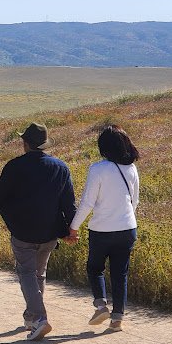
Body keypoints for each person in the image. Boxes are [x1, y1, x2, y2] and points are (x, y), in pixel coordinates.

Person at [0, 122, 76, 341]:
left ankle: (40, 319)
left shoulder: (15, 166)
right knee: (38, 274)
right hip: (50, 233)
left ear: (25, 143)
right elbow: (69, 203)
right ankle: (31, 318)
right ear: (44, 144)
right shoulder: (61, 167)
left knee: (26, 273)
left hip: (23, 231)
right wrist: (71, 230)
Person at [65, 125, 140, 332]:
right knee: (120, 273)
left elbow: (88, 203)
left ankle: (100, 306)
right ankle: (117, 319)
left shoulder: (97, 169)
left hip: (101, 230)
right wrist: (123, 217)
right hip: (127, 228)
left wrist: (73, 228)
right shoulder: (132, 168)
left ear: (103, 147)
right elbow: (134, 201)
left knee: (95, 268)